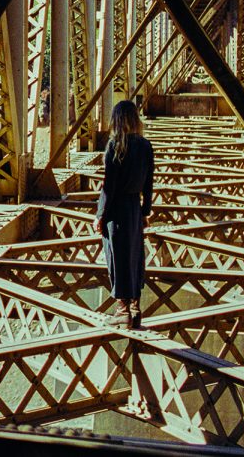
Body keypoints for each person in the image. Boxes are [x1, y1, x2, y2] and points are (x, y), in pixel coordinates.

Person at [96, 100, 153, 328]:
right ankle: (136, 309)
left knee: (116, 257)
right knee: (135, 256)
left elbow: (109, 187)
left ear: (116, 120)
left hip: (116, 210)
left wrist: (100, 214)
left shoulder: (115, 146)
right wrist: (145, 212)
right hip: (134, 208)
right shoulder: (146, 145)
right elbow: (148, 183)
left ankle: (122, 311)